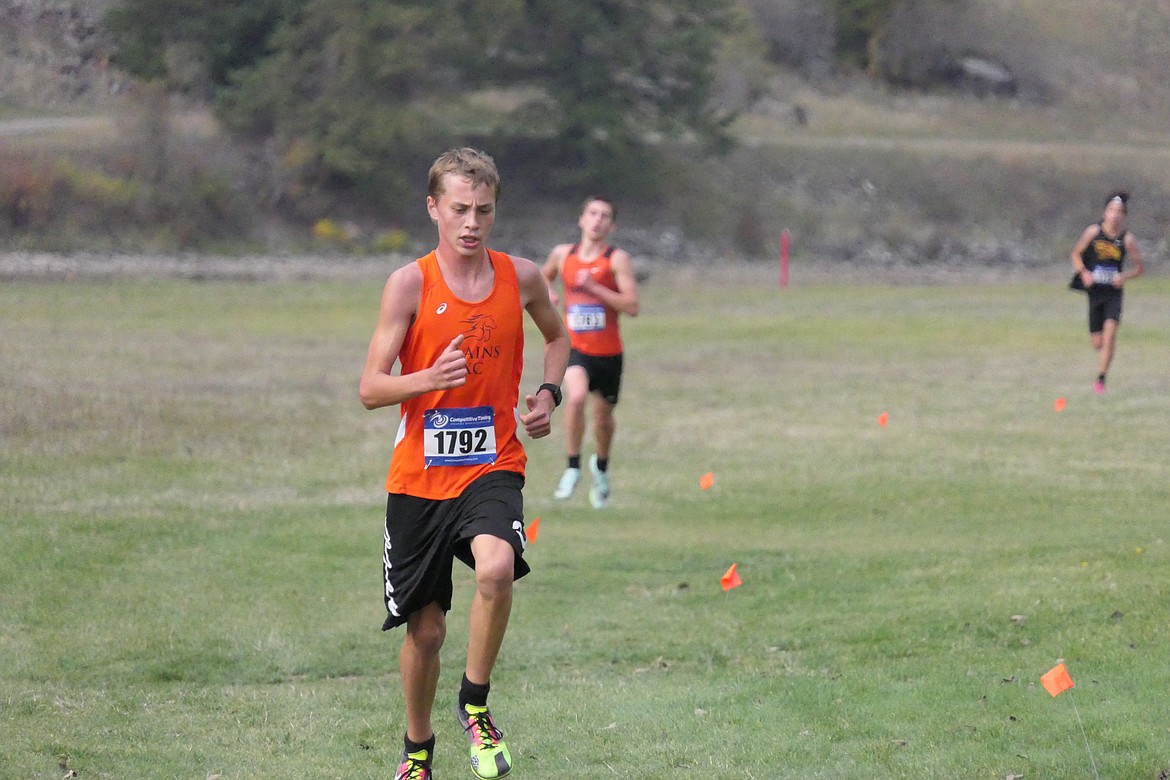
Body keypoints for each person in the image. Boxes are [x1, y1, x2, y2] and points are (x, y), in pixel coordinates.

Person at [359, 148, 569, 780]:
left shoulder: (523, 277)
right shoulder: (409, 283)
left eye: (483, 210)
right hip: (420, 479)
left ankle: (474, 704)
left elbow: (557, 339)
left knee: (498, 566)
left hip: (492, 463)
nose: (472, 223)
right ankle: (417, 749)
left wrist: (547, 394)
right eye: (459, 210)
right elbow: (370, 388)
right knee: (425, 634)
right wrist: (427, 377)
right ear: (434, 209)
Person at [541, 196, 640, 509]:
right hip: (576, 349)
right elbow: (542, 278)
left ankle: (601, 468)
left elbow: (632, 306)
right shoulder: (563, 254)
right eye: (593, 213)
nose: (598, 220)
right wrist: (548, 295)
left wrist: (596, 288)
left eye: (605, 216)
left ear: (611, 225)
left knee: (603, 421)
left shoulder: (616, 259)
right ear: (581, 219)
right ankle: (572, 468)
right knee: (576, 397)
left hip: (608, 353)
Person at [1069, 191, 1144, 394]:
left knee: (1110, 336)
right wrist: (1084, 272)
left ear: (1124, 216)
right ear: (1105, 212)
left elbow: (1139, 269)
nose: (1115, 215)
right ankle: (1103, 360)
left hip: (1113, 293)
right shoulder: (1093, 232)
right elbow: (1075, 254)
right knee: (1097, 343)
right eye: (1111, 210)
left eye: (1120, 212)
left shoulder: (1127, 239)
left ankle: (1101, 379)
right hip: (1095, 292)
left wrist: (1124, 276)